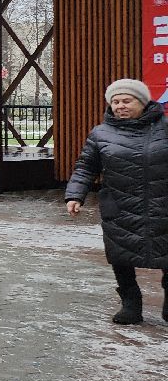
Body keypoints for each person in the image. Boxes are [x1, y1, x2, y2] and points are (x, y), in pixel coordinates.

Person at [65, 78, 168, 325]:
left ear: (143, 102)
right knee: (121, 258)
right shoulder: (101, 133)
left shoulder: (166, 128)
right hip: (120, 206)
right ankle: (131, 305)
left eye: (127, 101)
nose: (120, 106)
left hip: (162, 204)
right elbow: (85, 167)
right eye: (115, 101)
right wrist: (74, 195)